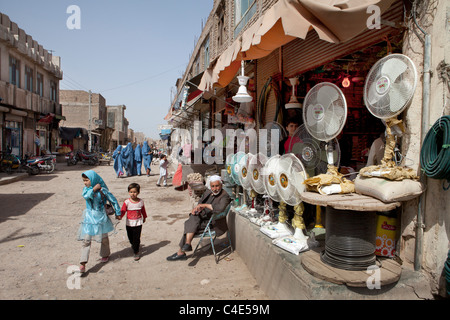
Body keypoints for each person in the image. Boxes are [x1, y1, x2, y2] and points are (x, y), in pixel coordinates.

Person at [166, 175, 231, 261]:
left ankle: (182, 251)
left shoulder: (224, 196)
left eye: (217, 186)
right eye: (213, 186)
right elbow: (200, 201)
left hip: (213, 223)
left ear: (221, 185)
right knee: (193, 218)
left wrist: (204, 205)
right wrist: (196, 208)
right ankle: (187, 245)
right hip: (202, 218)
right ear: (210, 186)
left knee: (190, 227)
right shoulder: (208, 192)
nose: (215, 188)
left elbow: (219, 208)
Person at [77, 170, 121, 273]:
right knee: (86, 240)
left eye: (87, 180)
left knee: (104, 238)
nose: (85, 183)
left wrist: (118, 213)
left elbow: (113, 200)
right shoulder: (86, 190)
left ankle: (105, 254)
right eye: (84, 180)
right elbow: (86, 196)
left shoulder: (103, 190)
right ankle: (83, 263)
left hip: (101, 218)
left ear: (93, 180)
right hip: (89, 218)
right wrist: (93, 189)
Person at [118, 183, 147, 260]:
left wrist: (144, 217)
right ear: (128, 192)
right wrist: (120, 216)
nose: (133, 194)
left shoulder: (141, 202)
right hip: (129, 223)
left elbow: (143, 210)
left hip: (138, 223)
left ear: (138, 192)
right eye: (131, 192)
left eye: (134, 192)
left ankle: (136, 251)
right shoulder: (127, 202)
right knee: (130, 237)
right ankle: (133, 244)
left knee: (136, 237)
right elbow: (123, 210)